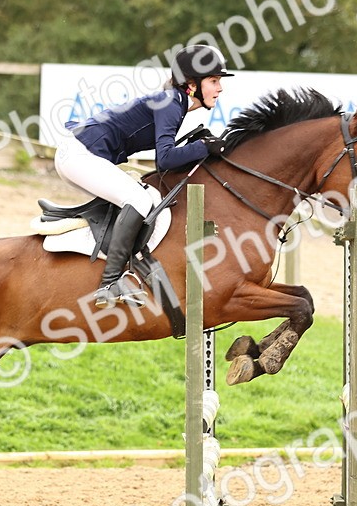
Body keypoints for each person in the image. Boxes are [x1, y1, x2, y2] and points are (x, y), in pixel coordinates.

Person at [55, 44, 232, 308]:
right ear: (192, 84)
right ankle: (109, 283)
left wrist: (198, 143)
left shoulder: (175, 101)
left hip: (81, 153)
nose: (220, 88)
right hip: (79, 155)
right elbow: (166, 159)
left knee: (142, 195)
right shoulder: (172, 102)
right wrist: (204, 147)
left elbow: (167, 153)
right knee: (138, 200)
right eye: (214, 81)